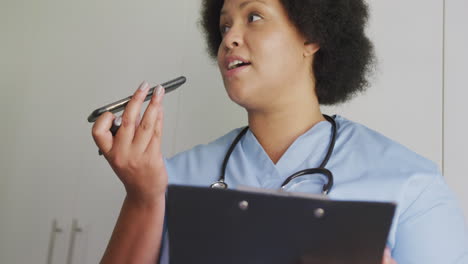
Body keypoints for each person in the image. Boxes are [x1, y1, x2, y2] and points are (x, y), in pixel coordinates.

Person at [92, 0, 468, 263]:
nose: (229, 39)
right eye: (224, 25)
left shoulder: (410, 184)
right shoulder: (168, 177)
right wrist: (142, 197)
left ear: (311, 35)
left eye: (253, 17)